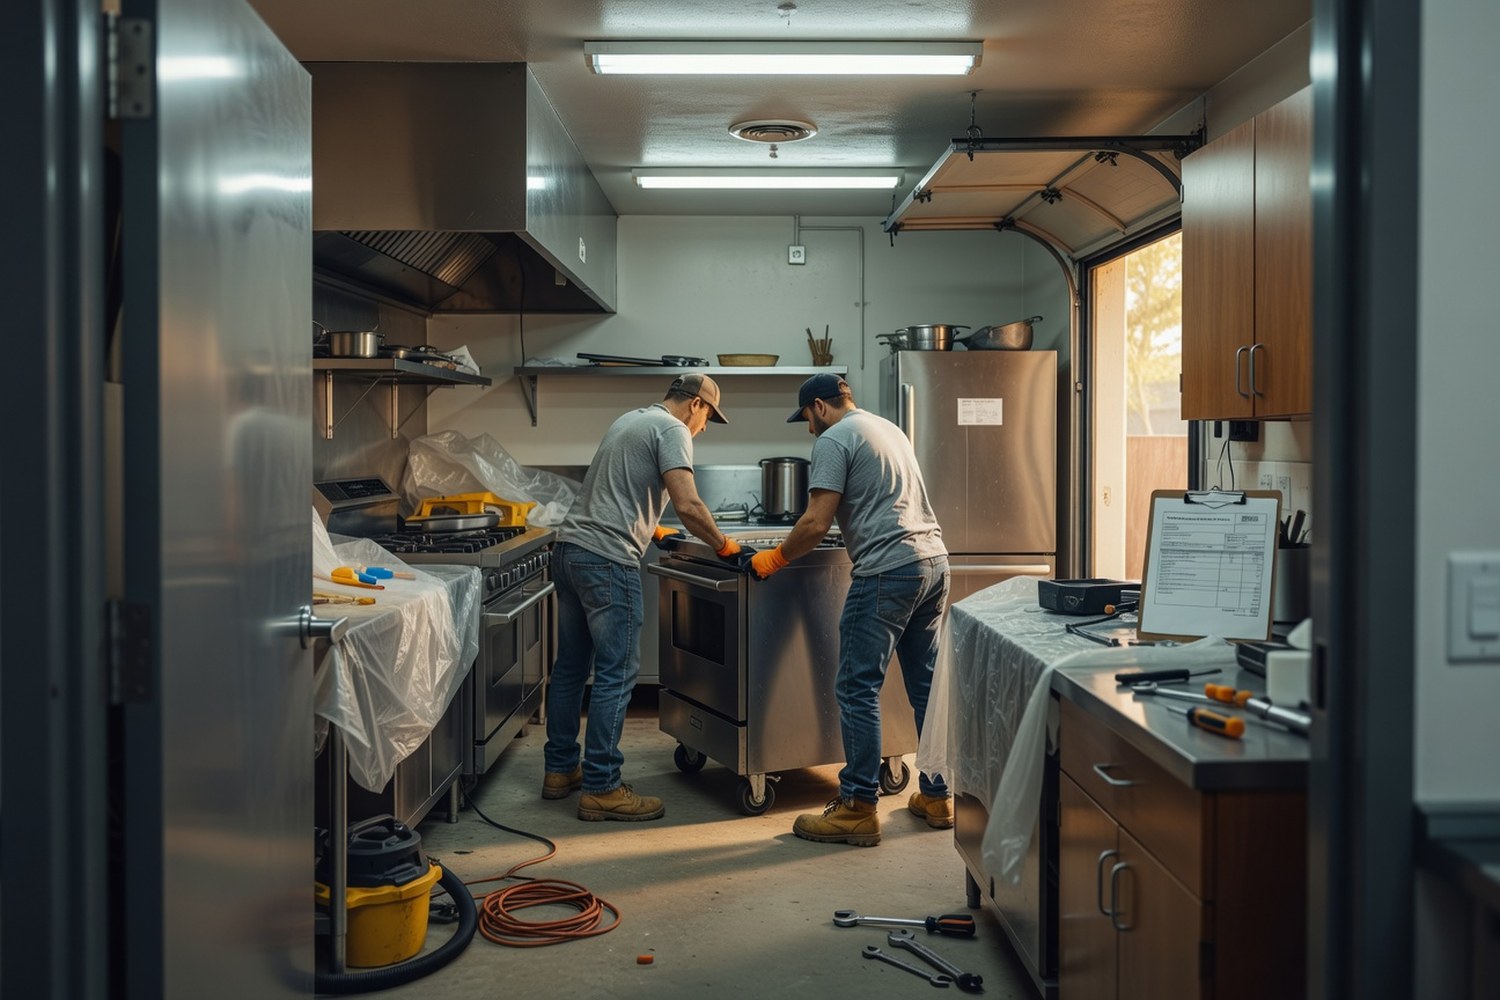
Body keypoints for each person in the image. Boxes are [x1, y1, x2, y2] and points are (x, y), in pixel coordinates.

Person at [749, 373, 952, 846]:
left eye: (805, 418)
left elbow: (816, 522)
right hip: (934, 562)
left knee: (856, 685)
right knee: (926, 686)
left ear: (819, 406)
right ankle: (939, 794)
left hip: (888, 571)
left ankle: (858, 806)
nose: (807, 429)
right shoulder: (888, 428)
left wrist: (775, 558)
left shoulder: (835, 438)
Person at [542, 373, 743, 821]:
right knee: (617, 672)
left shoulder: (632, 420)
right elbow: (689, 504)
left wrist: (650, 526)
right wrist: (723, 545)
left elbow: (615, 489)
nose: (705, 427)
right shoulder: (673, 429)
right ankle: (602, 786)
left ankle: (560, 770)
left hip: (571, 551)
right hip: (607, 560)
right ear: (694, 405)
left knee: (572, 668)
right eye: (709, 416)